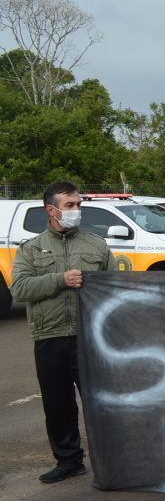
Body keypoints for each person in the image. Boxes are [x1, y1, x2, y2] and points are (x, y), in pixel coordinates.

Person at [10, 181, 117, 484]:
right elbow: (20, 288)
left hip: (90, 337)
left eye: (78, 205)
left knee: (100, 402)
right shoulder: (31, 249)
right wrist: (60, 279)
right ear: (51, 210)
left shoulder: (95, 245)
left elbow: (114, 287)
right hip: (50, 336)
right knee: (58, 405)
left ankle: (112, 457)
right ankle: (69, 461)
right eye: (70, 205)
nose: (77, 210)